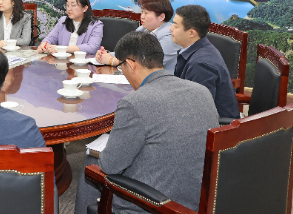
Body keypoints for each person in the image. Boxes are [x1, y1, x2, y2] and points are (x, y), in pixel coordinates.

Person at [74, 31, 219, 214]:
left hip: (156, 205)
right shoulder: (201, 91)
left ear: (131, 64)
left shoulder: (135, 103)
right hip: (200, 198)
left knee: (91, 163)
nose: (123, 73)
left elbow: (110, 166)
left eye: (121, 67)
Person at [170, 5, 239, 119]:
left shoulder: (200, 65)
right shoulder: (198, 48)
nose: (170, 28)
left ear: (192, 33)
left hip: (217, 130)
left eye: (175, 25)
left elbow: (198, 113)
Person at [95, 0, 181, 72]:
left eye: (146, 13)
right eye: (142, 12)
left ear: (161, 17)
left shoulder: (170, 36)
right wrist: (104, 54)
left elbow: (148, 64)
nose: (142, 16)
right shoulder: (142, 29)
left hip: (160, 84)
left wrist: (113, 61)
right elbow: (126, 51)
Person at [36, 0, 103, 55]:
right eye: (67, 5)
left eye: (73, 5)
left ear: (85, 8)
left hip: (85, 64)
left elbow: (92, 48)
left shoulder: (96, 25)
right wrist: (44, 45)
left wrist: (61, 49)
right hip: (62, 63)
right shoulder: (63, 21)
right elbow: (51, 38)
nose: (69, 9)